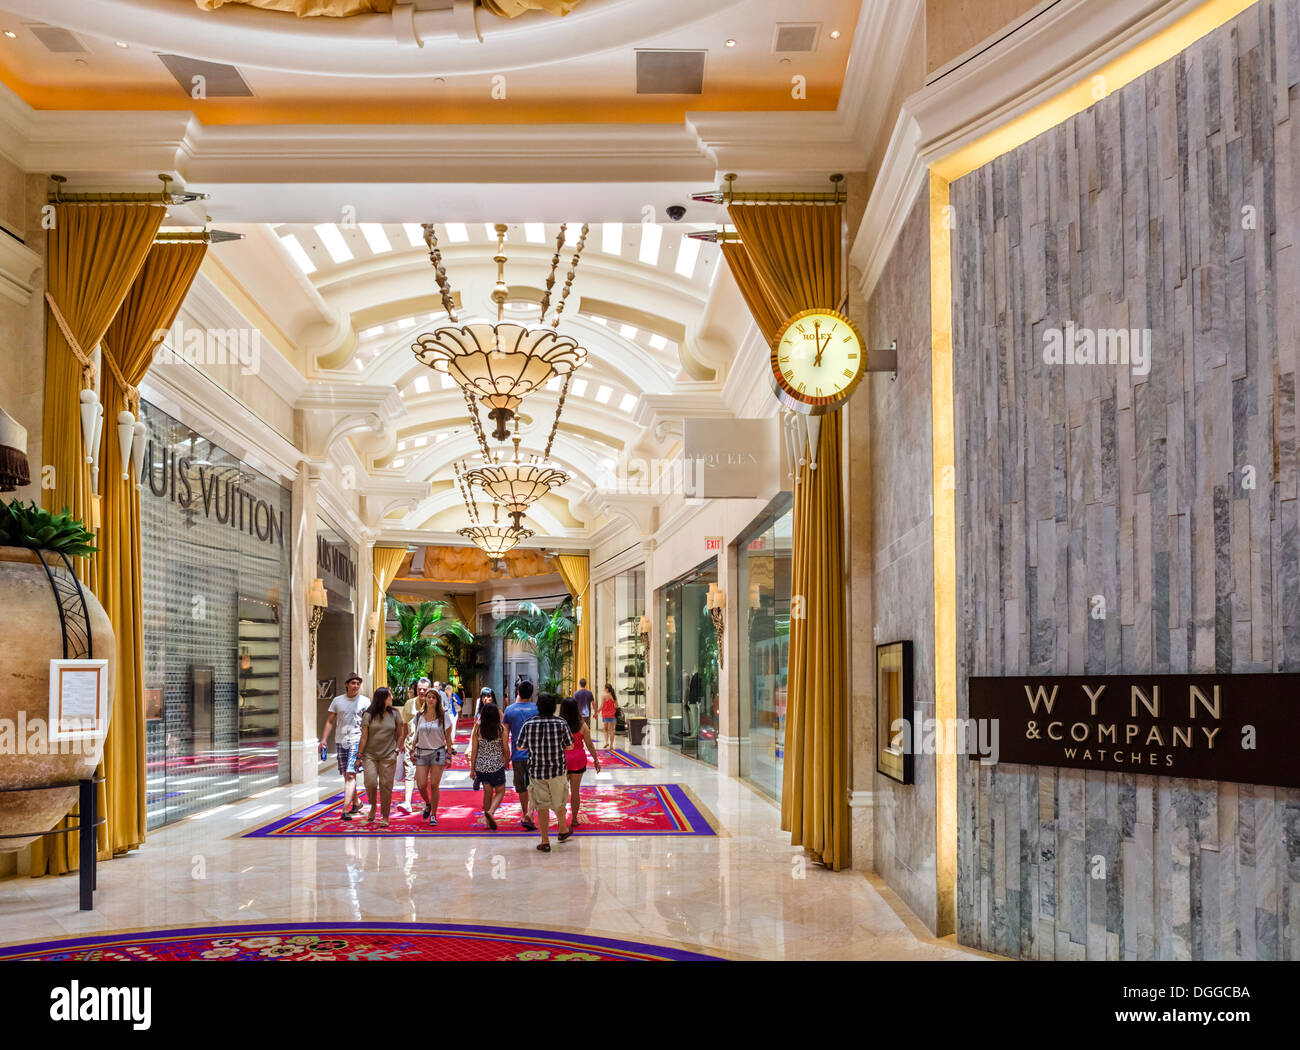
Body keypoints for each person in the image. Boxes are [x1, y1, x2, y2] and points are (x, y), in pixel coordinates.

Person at [515, 692, 574, 852]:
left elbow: (519, 746)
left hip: (536, 771)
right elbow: (570, 746)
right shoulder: (561, 723)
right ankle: (562, 830)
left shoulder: (529, 724)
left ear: (538, 707)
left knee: (541, 806)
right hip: (557, 771)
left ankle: (545, 841)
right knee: (560, 802)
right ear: (554, 707)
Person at [319, 672, 369, 821]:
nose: (356, 686)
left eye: (358, 683)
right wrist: (323, 739)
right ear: (347, 684)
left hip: (356, 740)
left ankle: (345, 809)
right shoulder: (337, 701)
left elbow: (369, 724)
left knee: (351, 774)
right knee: (347, 775)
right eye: (353, 683)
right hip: (341, 741)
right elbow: (330, 721)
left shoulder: (365, 701)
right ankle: (356, 803)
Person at [357, 686, 405, 828]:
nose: (392, 698)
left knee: (386, 786)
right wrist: (359, 755)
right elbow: (364, 737)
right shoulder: (368, 715)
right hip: (370, 755)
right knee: (370, 783)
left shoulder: (395, 714)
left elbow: (401, 733)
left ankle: (385, 815)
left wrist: (397, 749)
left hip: (388, 754)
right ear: (382, 698)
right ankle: (372, 805)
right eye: (389, 696)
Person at [410, 683, 457, 824]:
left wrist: (449, 756)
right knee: (421, 784)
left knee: (434, 785)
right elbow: (416, 735)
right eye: (428, 697)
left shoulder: (444, 717)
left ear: (437, 700)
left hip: (438, 752)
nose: (430, 699)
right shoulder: (419, 716)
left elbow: (448, 739)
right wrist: (412, 750)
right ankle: (428, 803)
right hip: (422, 752)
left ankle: (433, 815)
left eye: (433, 697)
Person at [501, 680, 540, 832]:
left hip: (518, 755)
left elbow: (505, 734)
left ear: (517, 692)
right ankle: (530, 814)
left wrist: (506, 754)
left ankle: (526, 814)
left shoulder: (509, 710)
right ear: (531, 693)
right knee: (535, 786)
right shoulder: (537, 709)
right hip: (535, 755)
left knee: (522, 787)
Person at [560, 696, 601, 829]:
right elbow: (589, 744)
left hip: (563, 759)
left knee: (561, 790)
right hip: (578, 759)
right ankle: (574, 819)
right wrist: (596, 760)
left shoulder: (559, 724)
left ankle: (562, 816)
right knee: (575, 791)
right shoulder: (582, 725)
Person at [469, 702, 508, 829]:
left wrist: (472, 768)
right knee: (500, 791)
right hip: (496, 766)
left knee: (487, 793)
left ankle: (487, 822)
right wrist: (507, 761)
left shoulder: (478, 728)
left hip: (481, 767)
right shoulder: (501, 729)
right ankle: (491, 812)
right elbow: (505, 748)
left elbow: (474, 750)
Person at [400, 678, 431, 812]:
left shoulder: (434, 703)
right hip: (411, 746)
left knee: (423, 780)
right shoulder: (409, 704)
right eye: (419, 689)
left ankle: (428, 802)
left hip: (428, 748)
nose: (422, 691)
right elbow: (404, 726)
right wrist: (400, 743)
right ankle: (407, 802)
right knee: (409, 773)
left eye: (425, 689)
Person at [599, 683, 619, 750]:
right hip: (612, 715)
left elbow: (601, 706)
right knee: (611, 730)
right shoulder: (614, 696)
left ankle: (606, 742)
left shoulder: (604, 696)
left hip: (605, 714)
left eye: (605, 688)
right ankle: (611, 745)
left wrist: (597, 712)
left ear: (607, 689)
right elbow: (616, 706)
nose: (604, 690)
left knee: (605, 729)